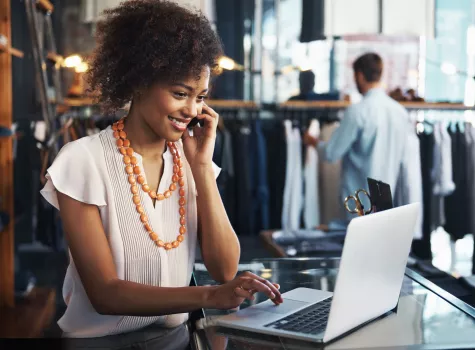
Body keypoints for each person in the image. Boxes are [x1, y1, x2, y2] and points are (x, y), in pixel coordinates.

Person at [40, 1, 282, 348]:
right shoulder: (82, 161)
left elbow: (225, 268)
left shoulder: (190, 161)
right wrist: (209, 297)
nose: (192, 110)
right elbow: (105, 295)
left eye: (201, 97)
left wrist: (200, 169)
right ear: (139, 83)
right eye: (180, 93)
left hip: (175, 340)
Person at [304, 52, 411, 220]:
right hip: (388, 202)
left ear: (360, 76)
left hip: (361, 204)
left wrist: (313, 142)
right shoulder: (400, 113)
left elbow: (331, 153)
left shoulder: (357, 112)